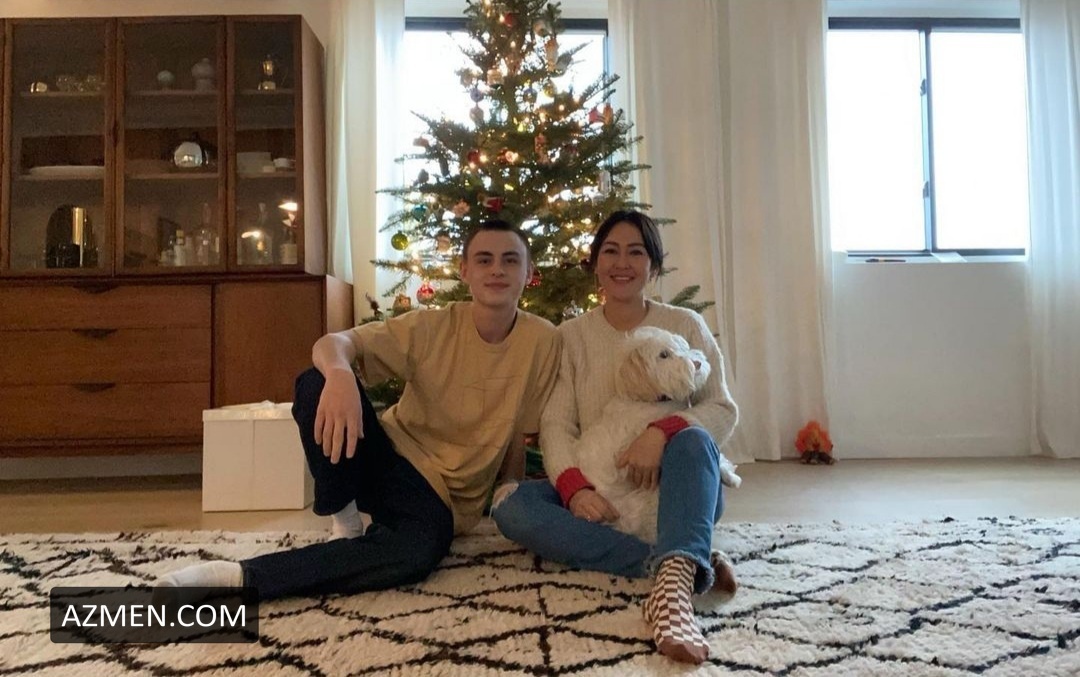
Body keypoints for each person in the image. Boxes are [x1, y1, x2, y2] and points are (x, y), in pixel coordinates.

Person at [156, 220, 560, 601]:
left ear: (528, 272)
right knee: (315, 383)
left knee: (413, 555)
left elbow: (517, 434)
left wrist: (508, 498)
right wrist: (340, 375)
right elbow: (333, 343)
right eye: (485, 259)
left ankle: (236, 578)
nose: (497, 270)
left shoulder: (542, 340)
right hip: (386, 456)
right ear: (465, 270)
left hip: (439, 502)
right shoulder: (431, 327)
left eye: (510, 260)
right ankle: (343, 518)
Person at [491, 210, 739, 665]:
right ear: (595, 263)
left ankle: (672, 594)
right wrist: (575, 488)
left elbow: (722, 409)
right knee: (512, 506)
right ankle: (676, 561)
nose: (622, 263)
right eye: (610, 251)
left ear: (654, 266)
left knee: (695, 442)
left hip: (674, 487)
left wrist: (661, 432)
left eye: (636, 252)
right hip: (600, 487)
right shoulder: (571, 337)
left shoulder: (685, 325)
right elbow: (557, 424)